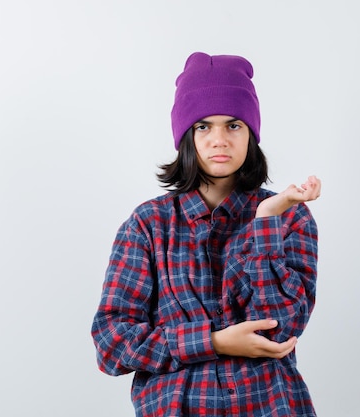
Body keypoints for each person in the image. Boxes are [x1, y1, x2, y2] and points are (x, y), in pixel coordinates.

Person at [91, 52, 322, 417]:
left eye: (234, 125)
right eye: (203, 126)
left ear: (251, 134)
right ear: (185, 135)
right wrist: (212, 342)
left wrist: (265, 222)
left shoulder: (287, 214)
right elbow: (111, 344)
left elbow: (283, 329)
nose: (219, 140)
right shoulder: (148, 224)